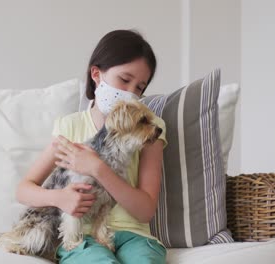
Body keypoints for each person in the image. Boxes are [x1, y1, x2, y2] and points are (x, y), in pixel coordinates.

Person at [16, 29, 167, 264]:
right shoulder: (70, 127)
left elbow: (145, 211)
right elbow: (24, 190)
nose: (130, 93)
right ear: (96, 74)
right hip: (80, 238)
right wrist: (59, 198)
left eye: (139, 87)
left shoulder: (150, 128)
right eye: (124, 80)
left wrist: (98, 168)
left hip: (135, 237)